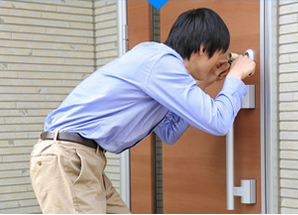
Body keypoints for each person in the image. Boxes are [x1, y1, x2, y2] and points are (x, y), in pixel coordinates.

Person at [30, 7, 255, 214]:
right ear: (202, 49)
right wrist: (235, 78)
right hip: (69, 158)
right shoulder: (161, 62)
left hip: (83, 159)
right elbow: (218, 122)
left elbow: (169, 133)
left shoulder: (161, 70)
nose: (220, 63)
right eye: (219, 56)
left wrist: (202, 85)